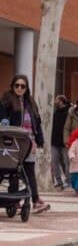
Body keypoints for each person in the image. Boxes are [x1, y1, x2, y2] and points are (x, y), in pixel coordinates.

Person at [0, 75, 50, 213]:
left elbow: (37, 123)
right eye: (17, 85)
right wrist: (4, 122)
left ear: (27, 88)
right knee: (13, 171)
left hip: (29, 142)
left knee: (29, 172)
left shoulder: (31, 103)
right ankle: (14, 202)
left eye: (23, 86)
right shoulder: (7, 101)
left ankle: (36, 201)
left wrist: (40, 140)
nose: (20, 88)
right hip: (12, 141)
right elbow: (2, 115)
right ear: (12, 86)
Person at [50, 95, 70, 190]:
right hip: (54, 142)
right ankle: (59, 182)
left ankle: (68, 181)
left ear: (61, 101)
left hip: (65, 142)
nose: (55, 102)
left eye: (56, 100)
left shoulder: (69, 112)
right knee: (54, 162)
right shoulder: (55, 112)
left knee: (67, 162)